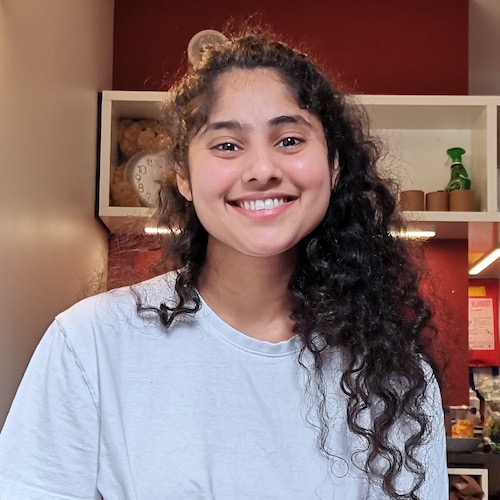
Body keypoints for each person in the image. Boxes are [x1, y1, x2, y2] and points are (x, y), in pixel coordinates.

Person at [0, 26, 447, 499]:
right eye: (227, 145)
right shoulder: (90, 343)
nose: (262, 169)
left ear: (334, 166)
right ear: (184, 176)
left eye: (289, 140)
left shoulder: (397, 378)